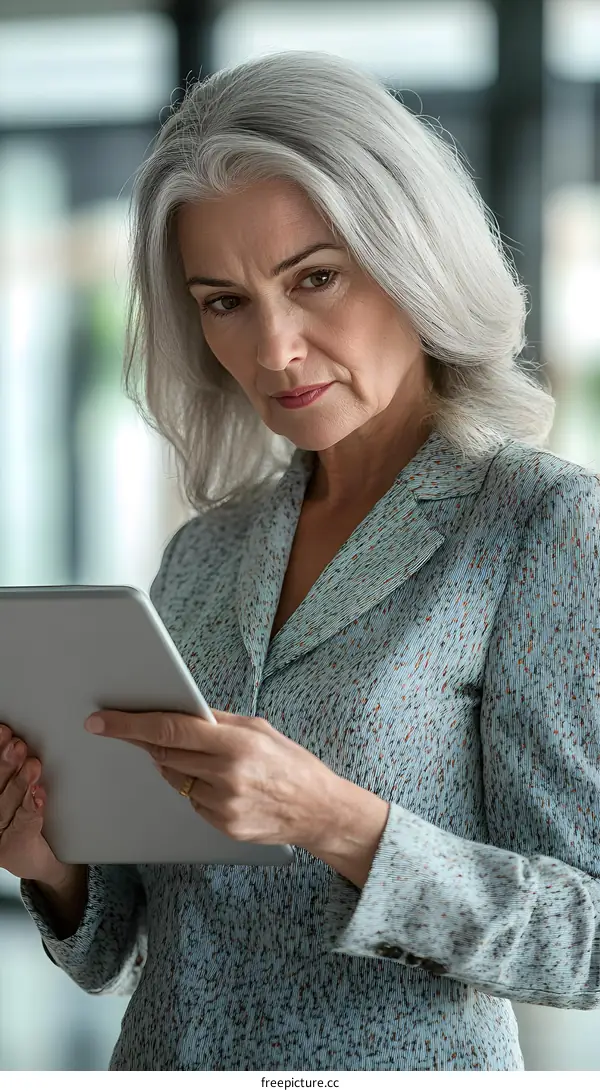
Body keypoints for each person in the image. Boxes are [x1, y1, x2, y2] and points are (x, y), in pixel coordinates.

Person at [1, 49, 599, 1073]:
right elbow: (123, 944)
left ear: (410, 255)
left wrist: (339, 822)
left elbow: (583, 941)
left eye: (314, 278)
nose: (274, 349)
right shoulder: (205, 549)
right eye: (224, 300)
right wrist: (49, 860)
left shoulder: (538, 524)